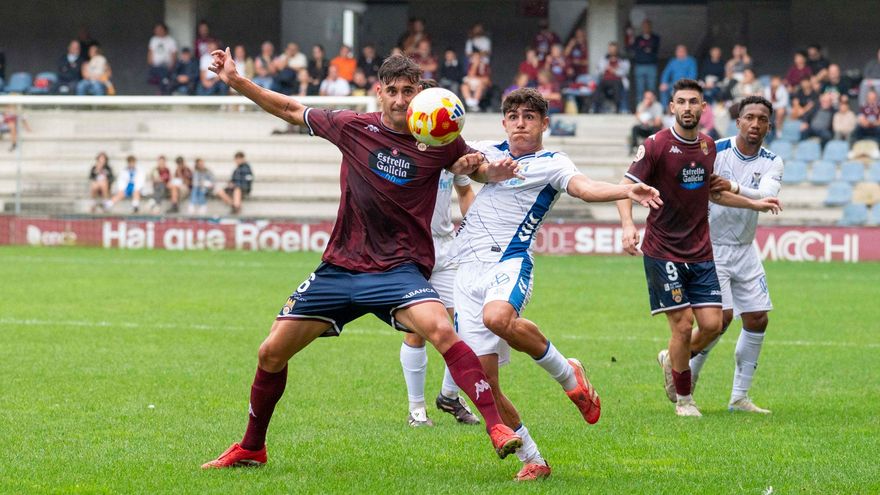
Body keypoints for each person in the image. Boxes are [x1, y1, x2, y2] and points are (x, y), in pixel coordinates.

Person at [200, 50, 527, 470]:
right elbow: (288, 107)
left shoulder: (439, 137)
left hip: (399, 270)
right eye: (392, 91)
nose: (400, 99)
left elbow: (472, 167)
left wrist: (489, 170)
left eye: (408, 91)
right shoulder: (351, 126)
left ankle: (496, 427)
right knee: (270, 353)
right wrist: (236, 80)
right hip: (341, 267)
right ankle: (251, 447)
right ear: (379, 92)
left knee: (443, 330)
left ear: (419, 95)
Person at [453, 87, 660, 480]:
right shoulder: (486, 150)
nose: (520, 123)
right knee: (482, 385)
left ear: (544, 124)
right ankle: (533, 459)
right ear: (503, 123)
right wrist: (460, 161)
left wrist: (624, 190)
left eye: (529, 117)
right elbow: (454, 160)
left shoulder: (552, 162)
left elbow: (583, 187)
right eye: (513, 116)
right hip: (466, 270)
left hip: (509, 261)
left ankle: (568, 375)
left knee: (498, 317)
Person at [615, 79, 781, 417]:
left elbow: (715, 192)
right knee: (683, 325)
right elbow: (626, 187)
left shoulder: (707, 148)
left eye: (694, 102)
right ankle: (685, 398)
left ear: (703, 108)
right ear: (672, 106)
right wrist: (629, 225)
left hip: (703, 249)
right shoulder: (658, 144)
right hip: (667, 248)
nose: (688, 108)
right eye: (681, 102)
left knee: (713, 325)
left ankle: (681, 364)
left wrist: (756, 206)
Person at [688, 95, 784, 414]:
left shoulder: (773, 161)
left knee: (758, 318)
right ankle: (683, 373)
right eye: (750, 117)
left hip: (745, 249)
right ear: (738, 120)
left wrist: (734, 186)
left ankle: (739, 398)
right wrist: (731, 190)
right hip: (711, 246)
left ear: (769, 125)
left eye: (762, 119)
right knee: (721, 320)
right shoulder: (714, 150)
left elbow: (768, 197)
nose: (755, 124)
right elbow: (710, 191)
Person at [399, 156, 479, 427]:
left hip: (446, 249)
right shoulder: (402, 146)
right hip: (409, 251)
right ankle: (416, 409)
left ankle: (449, 396)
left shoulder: (451, 146)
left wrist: (476, 232)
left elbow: (466, 191)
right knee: (417, 331)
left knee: (465, 327)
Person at [629, 19, 660, 102]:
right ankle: (640, 108)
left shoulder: (655, 38)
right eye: (644, 26)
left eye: (647, 26)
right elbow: (633, 49)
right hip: (639, 65)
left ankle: (653, 107)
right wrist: (644, 48)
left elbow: (654, 48)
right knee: (640, 89)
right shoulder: (638, 39)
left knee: (651, 88)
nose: (646, 28)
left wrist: (642, 48)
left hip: (651, 65)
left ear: (650, 27)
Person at [594, 42, 629, 114]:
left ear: (616, 49)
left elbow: (625, 71)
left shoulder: (623, 59)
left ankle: (617, 109)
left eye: (613, 49)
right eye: (610, 49)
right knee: (598, 87)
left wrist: (614, 71)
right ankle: (596, 109)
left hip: (617, 80)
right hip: (605, 80)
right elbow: (598, 71)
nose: (612, 51)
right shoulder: (604, 58)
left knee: (617, 87)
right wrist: (605, 68)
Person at [147, 22, 177, 90]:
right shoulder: (153, 39)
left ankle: (164, 89)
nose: (158, 31)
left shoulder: (170, 40)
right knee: (160, 80)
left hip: (166, 66)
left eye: (160, 29)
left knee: (164, 79)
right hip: (155, 66)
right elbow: (150, 52)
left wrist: (172, 65)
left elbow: (174, 54)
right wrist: (150, 63)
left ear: (164, 30)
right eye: (156, 29)